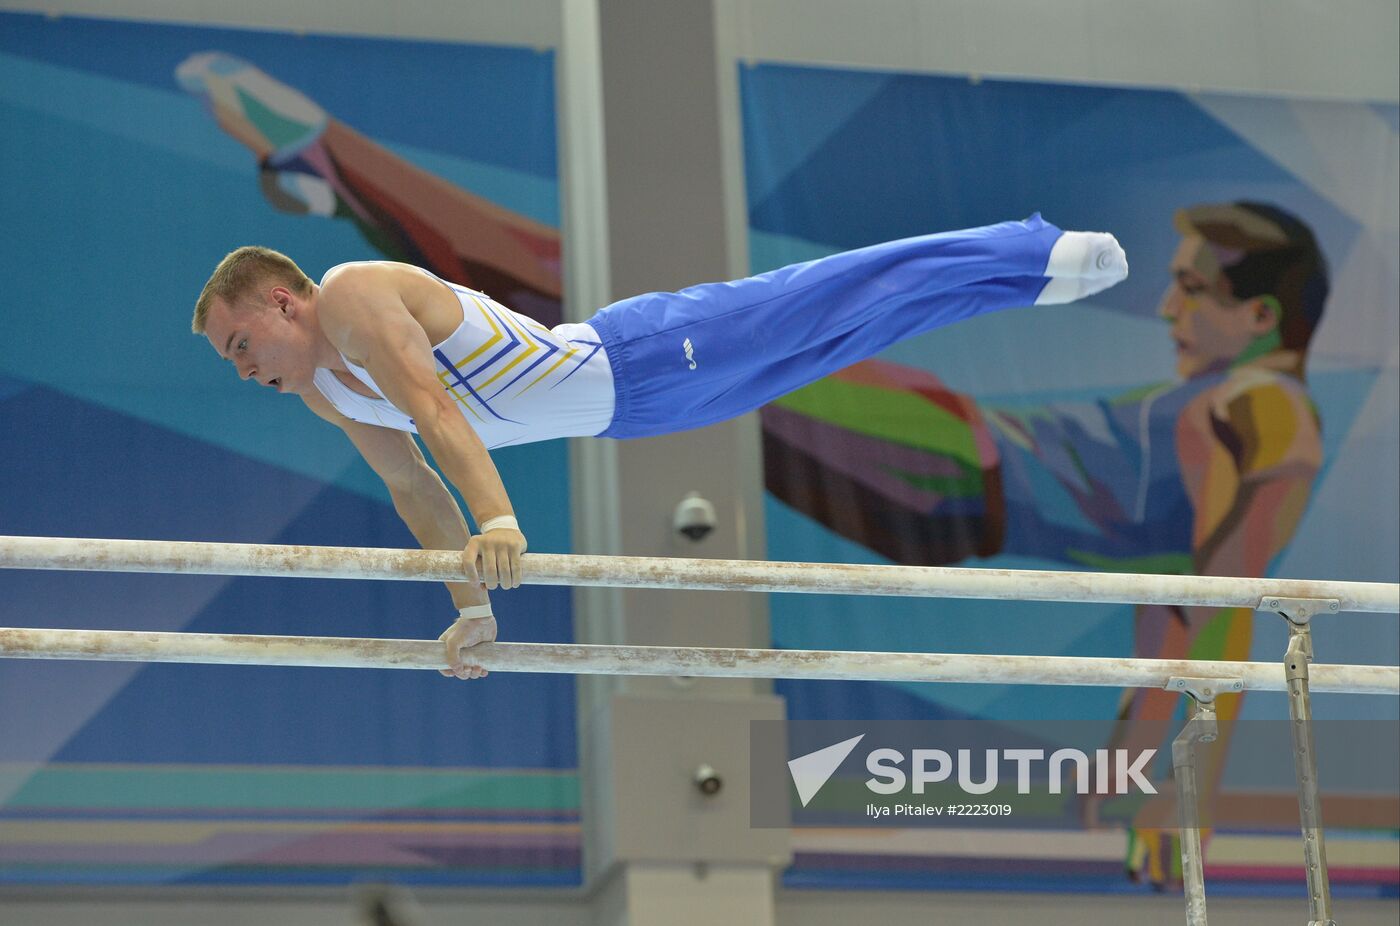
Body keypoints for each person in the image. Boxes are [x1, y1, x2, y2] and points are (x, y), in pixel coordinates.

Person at [192, 215, 1128, 681]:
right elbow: (413, 486)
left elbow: (436, 411)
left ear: (282, 301)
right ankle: (1022, 287)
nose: (243, 369)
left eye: (240, 344)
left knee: (829, 296)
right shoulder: (322, 390)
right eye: (229, 362)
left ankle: (1029, 249)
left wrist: (500, 519)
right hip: (637, 415)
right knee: (848, 340)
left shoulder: (353, 295)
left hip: (642, 351)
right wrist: (471, 607)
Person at [761, 201, 1327, 885]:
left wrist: (1189, 800)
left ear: (1261, 316)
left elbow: (1220, 607)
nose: (1166, 309)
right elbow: (1178, 616)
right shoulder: (1233, 404)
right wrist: (1129, 771)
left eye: (1192, 288)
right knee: (738, 374)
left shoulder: (1269, 408)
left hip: (950, 466)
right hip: (948, 474)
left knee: (742, 368)